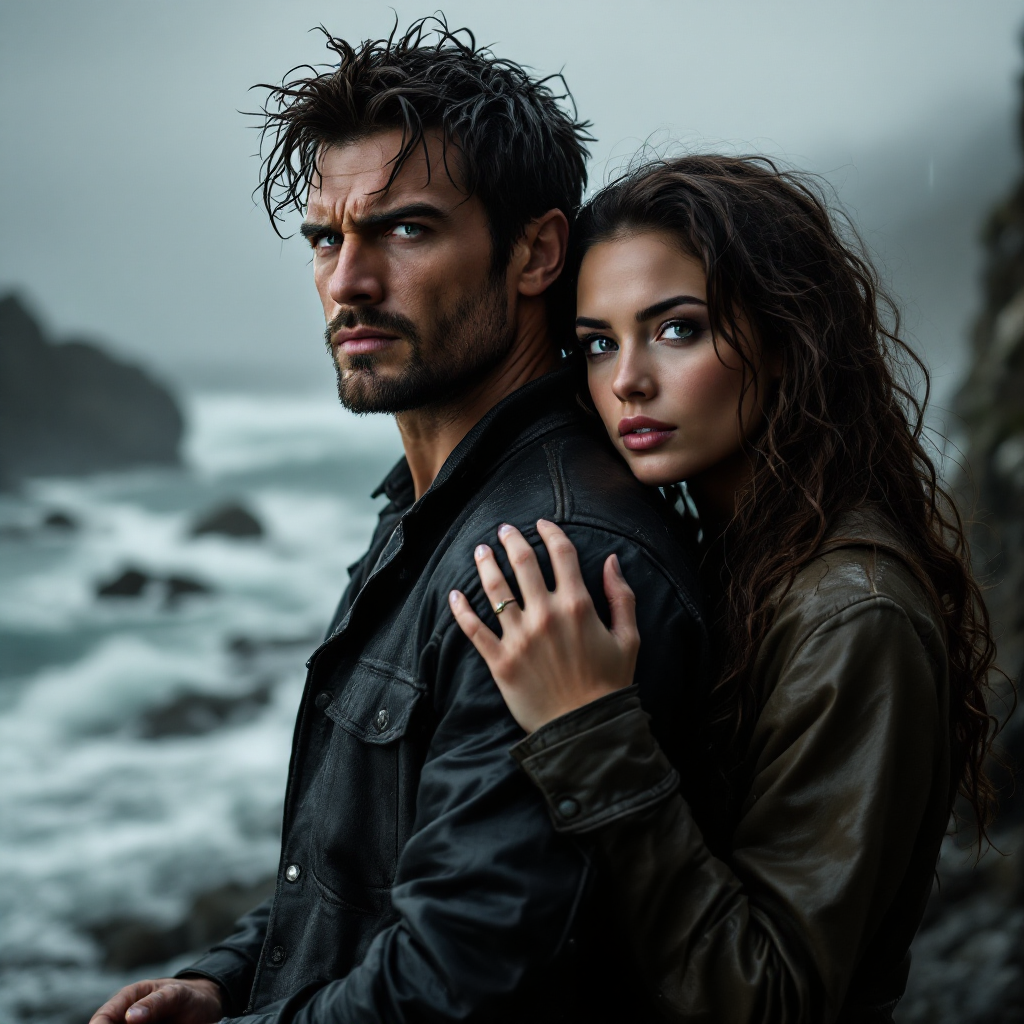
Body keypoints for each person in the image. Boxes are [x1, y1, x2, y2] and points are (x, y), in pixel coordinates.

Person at [89, 21, 708, 1024]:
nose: (347, 283)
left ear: (536, 252)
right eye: (327, 239)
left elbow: (459, 980)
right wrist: (225, 979)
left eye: (405, 231)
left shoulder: (546, 560)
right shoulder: (427, 508)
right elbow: (362, 865)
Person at [450, 155, 999, 1024]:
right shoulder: (729, 554)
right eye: (598, 342)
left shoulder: (855, 615)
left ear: (786, 339)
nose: (626, 378)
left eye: (676, 330)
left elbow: (767, 996)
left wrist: (585, 726)